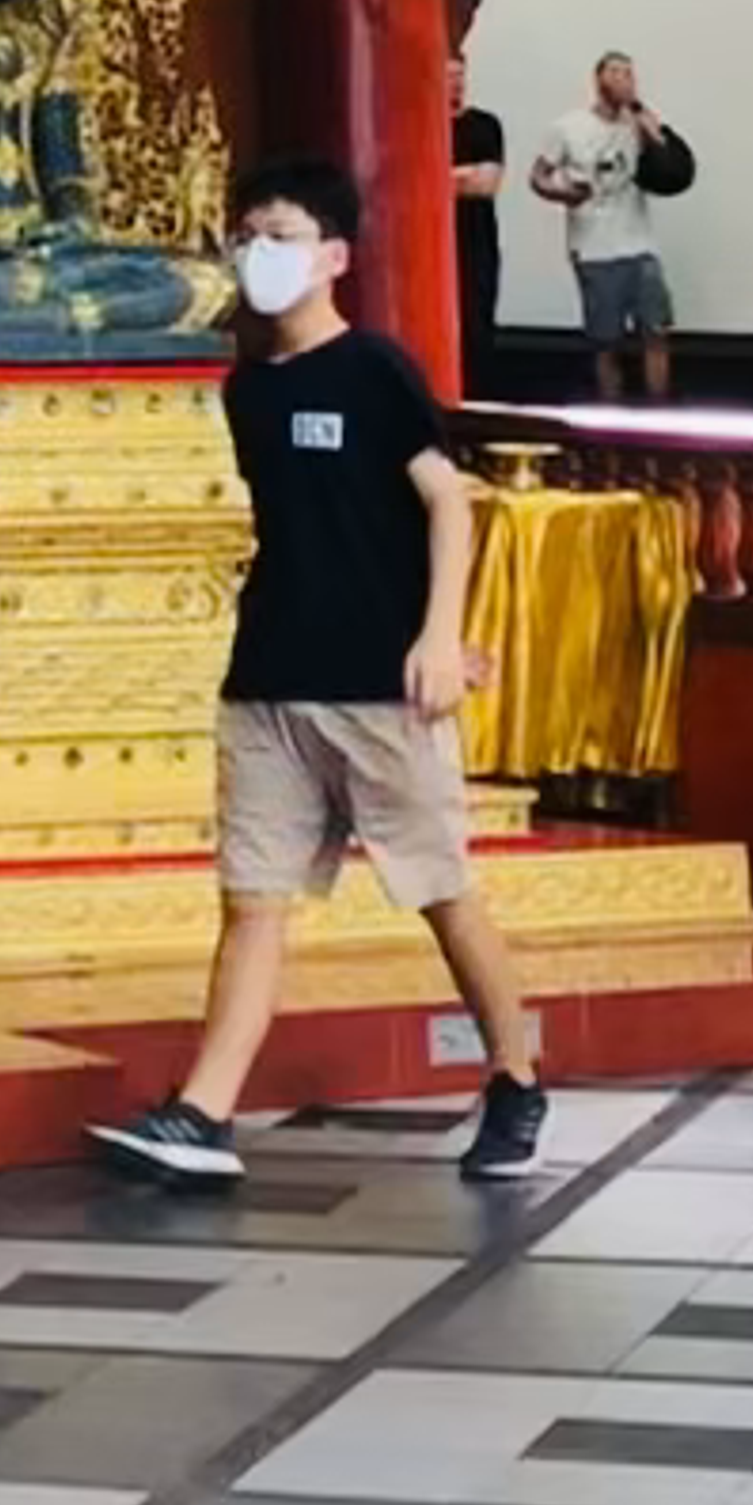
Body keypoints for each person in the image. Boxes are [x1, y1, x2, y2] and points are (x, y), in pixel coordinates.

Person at [90, 155, 549, 1191]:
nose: (262, 250)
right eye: (250, 230)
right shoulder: (247, 388)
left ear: (333, 255)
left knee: (440, 890)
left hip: (378, 685)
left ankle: (516, 1075)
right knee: (253, 900)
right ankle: (203, 1112)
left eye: (284, 231)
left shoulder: (375, 369)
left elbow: (449, 501)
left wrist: (438, 636)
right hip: (269, 679)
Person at [531, 51, 694, 404]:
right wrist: (562, 193)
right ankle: (610, 412)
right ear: (598, 79)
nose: (623, 80)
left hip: (639, 244)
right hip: (594, 248)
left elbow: (674, 171)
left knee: (656, 331)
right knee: (606, 342)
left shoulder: (635, 125)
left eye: (629, 75)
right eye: (616, 73)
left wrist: (653, 130)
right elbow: (538, 176)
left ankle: (659, 410)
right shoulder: (568, 127)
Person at [451, 90, 508, 381]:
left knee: (476, 321)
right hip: (429, 246)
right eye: (448, 75)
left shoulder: (484, 125)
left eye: (459, 75)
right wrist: (463, 174)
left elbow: (486, 184)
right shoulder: (417, 124)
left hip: (476, 241)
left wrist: (437, 176)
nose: (455, 83)